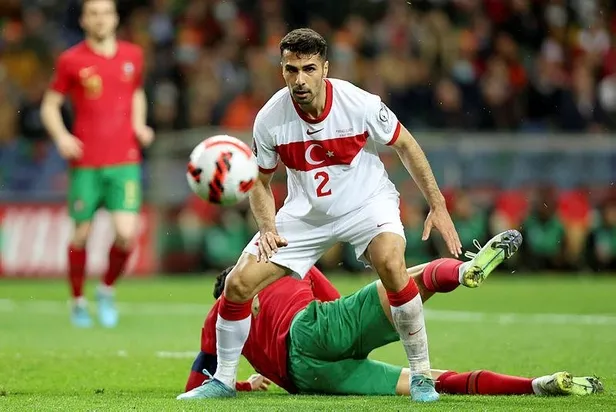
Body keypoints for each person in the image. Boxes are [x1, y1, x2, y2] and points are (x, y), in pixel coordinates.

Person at [207, 27, 463, 402]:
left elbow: (406, 145)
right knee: (238, 284)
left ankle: (421, 375)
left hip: (365, 202)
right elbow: (260, 182)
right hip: (306, 215)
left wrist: (437, 204)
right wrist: (267, 227)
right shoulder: (270, 119)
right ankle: (223, 382)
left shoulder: (358, 103)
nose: (300, 79)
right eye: (292, 70)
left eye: (309, 69)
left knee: (391, 263)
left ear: (325, 69)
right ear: (282, 71)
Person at [177, 230, 603, 399]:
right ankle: (463, 270)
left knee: (434, 379)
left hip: (306, 380)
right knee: (400, 282)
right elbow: (336, 304)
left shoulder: (217, 318)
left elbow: (199, 381)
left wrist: (246, 384)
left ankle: (535, 387)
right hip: (312, 330)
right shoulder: (284, 266)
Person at [41, 0, 154, 328]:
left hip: (124, 159)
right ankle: (78, 300)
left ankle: (106, 289)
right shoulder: (71, 60)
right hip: (86, 161)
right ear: (83, 20)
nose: (100, 19)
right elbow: (50, 105)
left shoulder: (133, 55)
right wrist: (62, 137)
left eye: (106, 13)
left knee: (126, 235)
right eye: (93, 14)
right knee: (81, 234)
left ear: (115, 18)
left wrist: (139, 125)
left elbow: (136, 93)